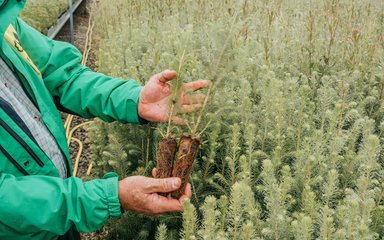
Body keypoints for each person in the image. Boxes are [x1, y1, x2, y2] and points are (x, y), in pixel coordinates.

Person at [0, 0, 209, 239]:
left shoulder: (4, 21)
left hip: (62, 220)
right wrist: (105, 197)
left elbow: (62, 75)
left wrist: (135, 100)